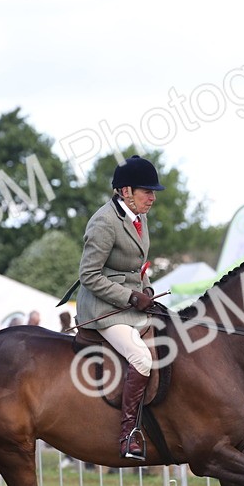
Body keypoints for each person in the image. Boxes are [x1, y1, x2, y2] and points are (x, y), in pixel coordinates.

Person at [76, 154, 163, 459]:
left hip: (131, 302)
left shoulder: (139, 217)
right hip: (103, 309)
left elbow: (137, 266)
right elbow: (88, 275)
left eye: (152, 193)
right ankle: (129, 434)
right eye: (147, 192)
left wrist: (146, 287)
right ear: (126, 191)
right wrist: (130, 298)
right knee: (140, 357)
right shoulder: (103, 222)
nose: (152, 198)